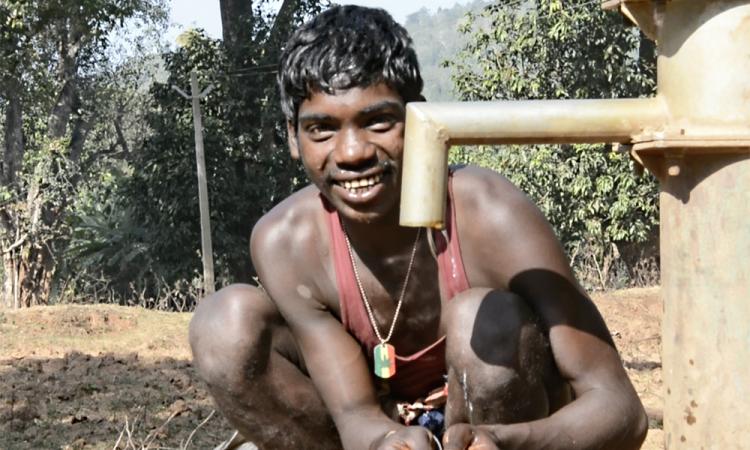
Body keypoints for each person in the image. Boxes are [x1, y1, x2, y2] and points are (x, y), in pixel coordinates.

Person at [189, 5, 648, 450]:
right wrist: (386, 442)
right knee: (223, 327)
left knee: (480, 318)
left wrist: (504, 441)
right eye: (322, 129)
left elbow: (620, 410)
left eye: (378, 121)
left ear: (422, 120)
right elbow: (355, 417)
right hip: (385, 426)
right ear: (293, 137)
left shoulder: (490, 213)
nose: (352, 152)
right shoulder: (286, 244)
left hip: (511, 427)